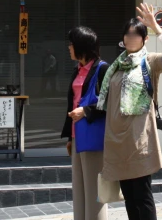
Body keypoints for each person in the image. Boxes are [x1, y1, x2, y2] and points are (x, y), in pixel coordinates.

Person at [97, 3, 162, 220]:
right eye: (128, 33)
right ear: (123, 38)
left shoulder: (149, 61)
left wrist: (156, 27)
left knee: (142, 194)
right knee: (129, 197)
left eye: (137, 34)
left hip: (139, 138)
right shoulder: (116, 65)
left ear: (144, 39)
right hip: (117, 140)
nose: (132, 37)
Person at [61, 26, 109, 220]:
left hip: (93, 136)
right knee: (79, 188)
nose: (69, 48)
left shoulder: (102, 69)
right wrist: (70, 137)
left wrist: (86, 110)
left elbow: (112, 101)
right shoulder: (77, 70)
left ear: (81, 46)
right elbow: (71, 102)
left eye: (71, 44)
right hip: (77, 134)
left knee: (94, 190)